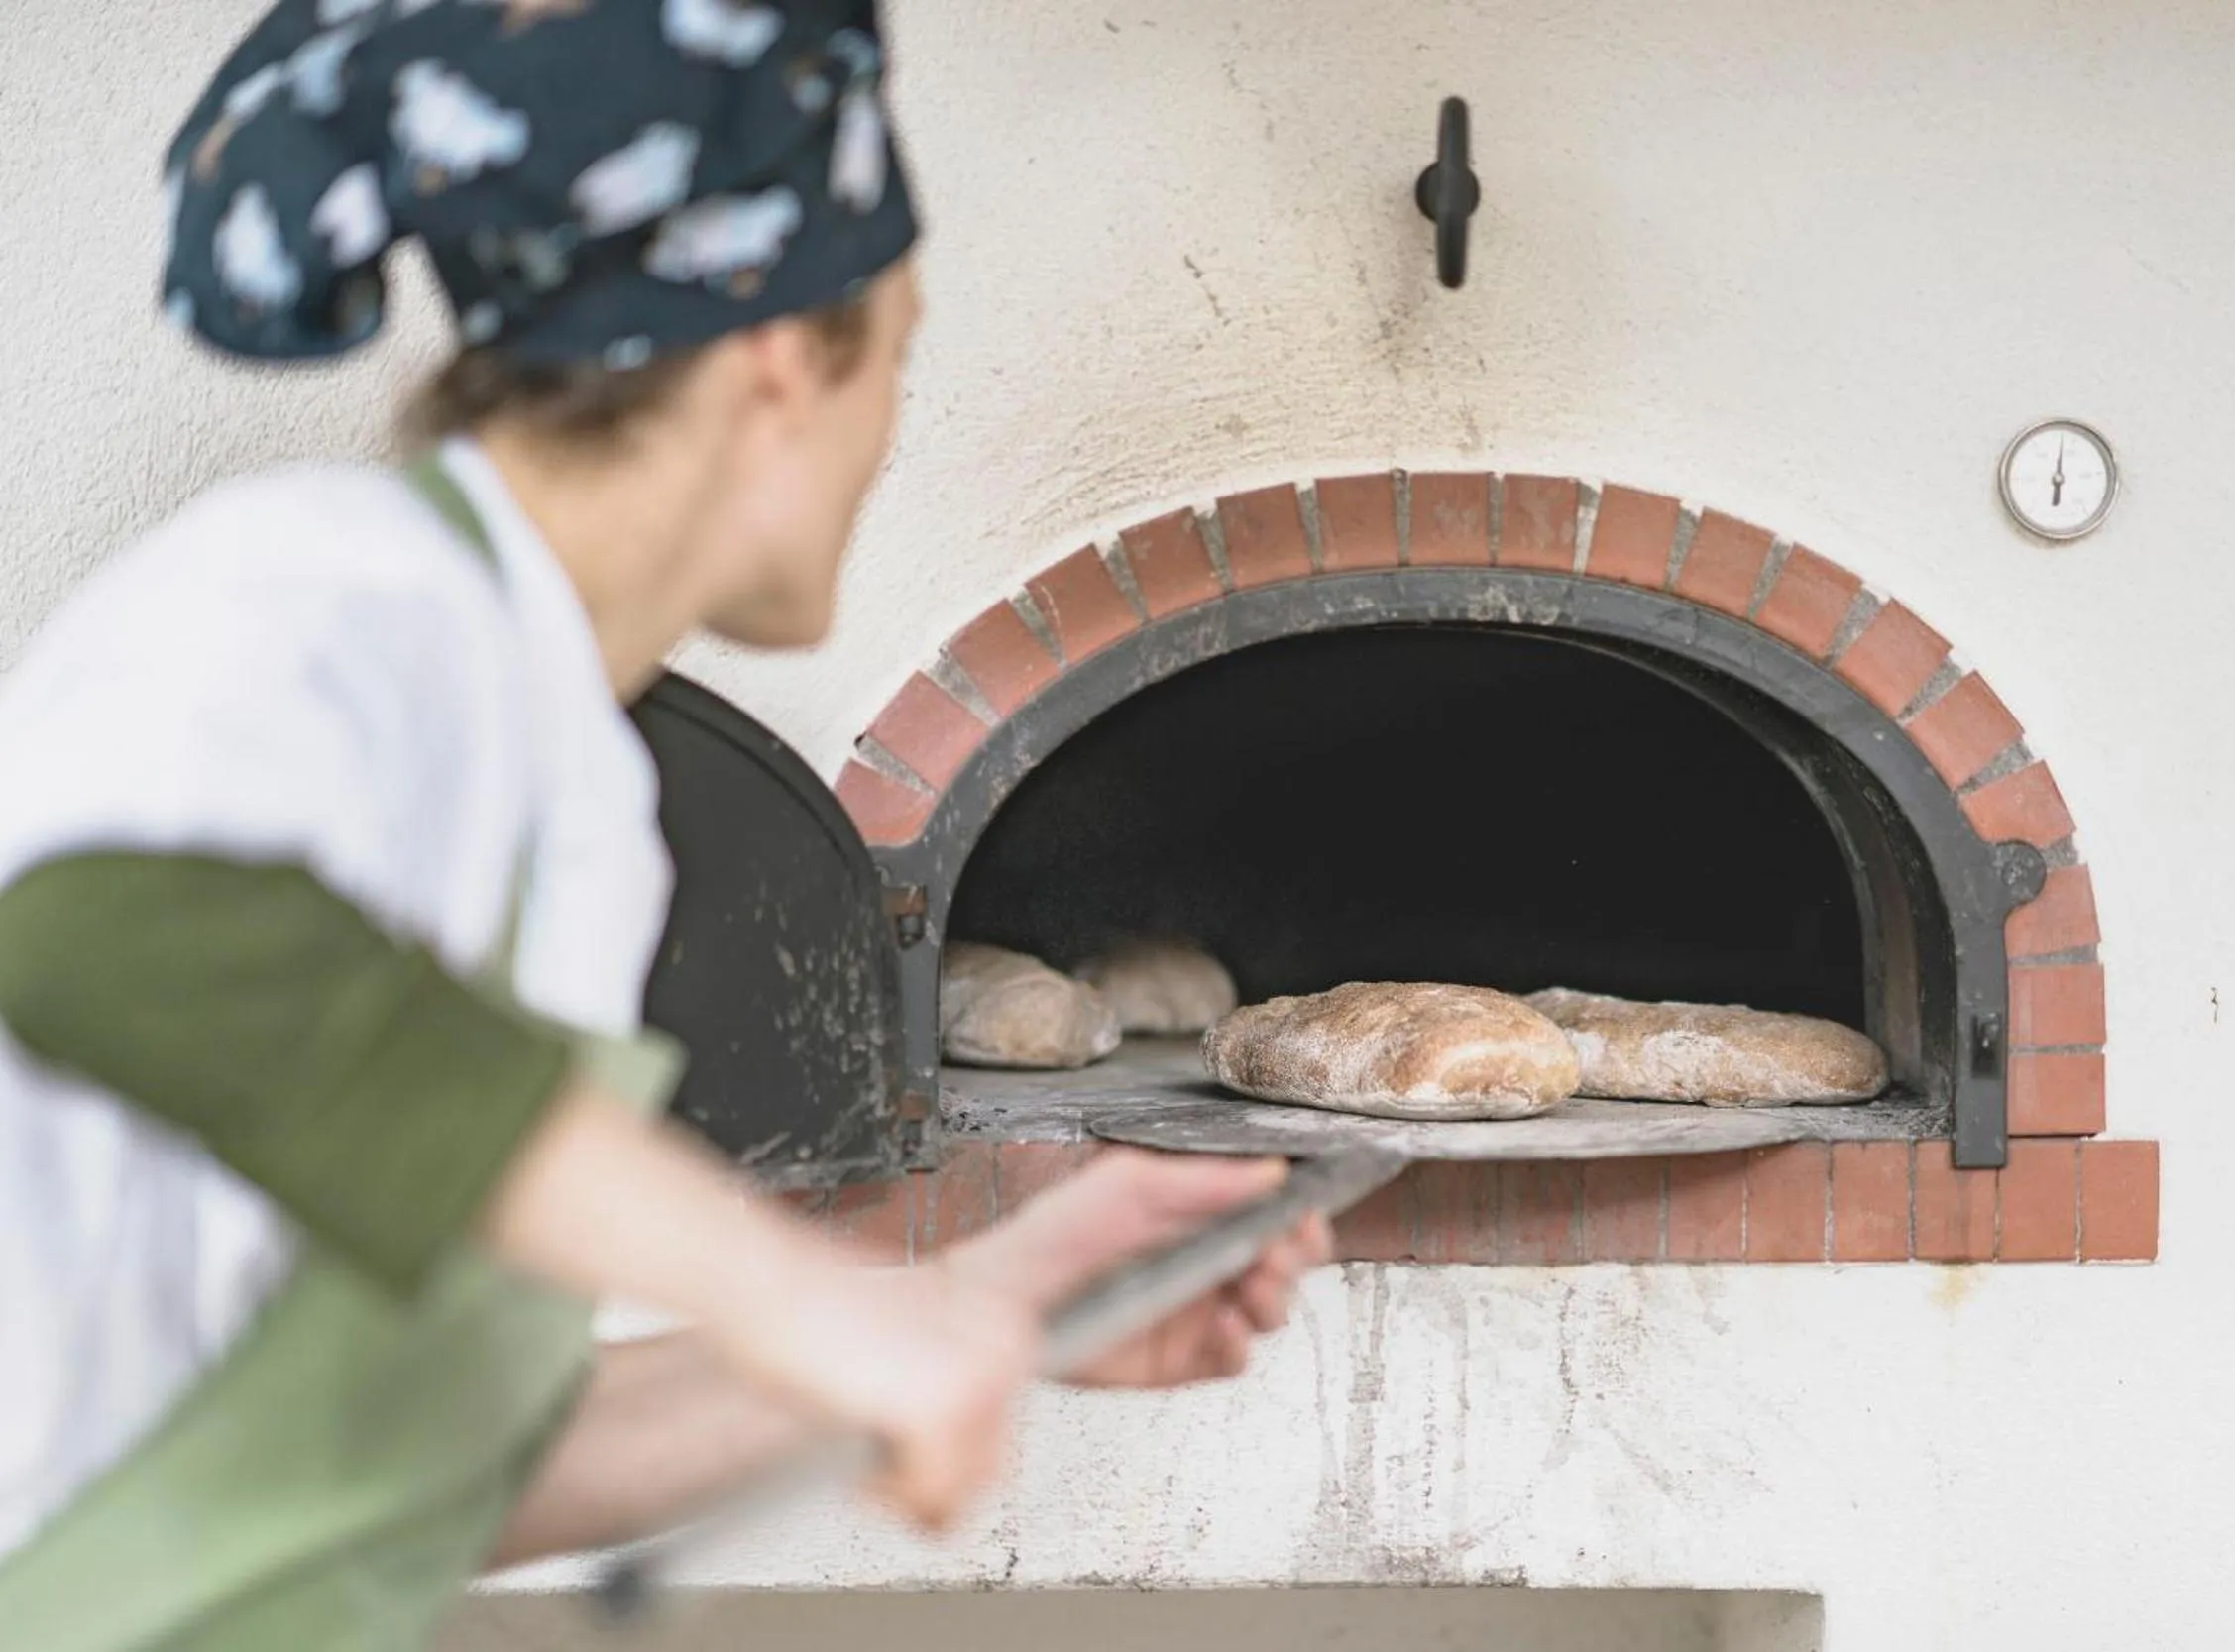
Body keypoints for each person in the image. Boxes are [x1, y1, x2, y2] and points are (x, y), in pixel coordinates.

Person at [0, 2, 1330, 1647]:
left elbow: (418, 1472)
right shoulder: (330, 593)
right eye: (895, 357)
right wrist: (787, 1293)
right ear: (782, 365)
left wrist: (968, 1303)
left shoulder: (567, 769)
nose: (889, 434)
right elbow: (93, 930)